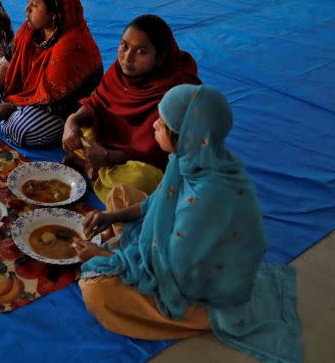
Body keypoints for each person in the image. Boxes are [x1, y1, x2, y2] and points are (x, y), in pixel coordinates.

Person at [74, 84, 302, 362]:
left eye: (163, 123)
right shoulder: (190, 158)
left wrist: (104, 256)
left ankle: (198, 317)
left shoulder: (206, 197)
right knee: (120, 194)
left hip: (193, 283)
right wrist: (111, 217)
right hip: (180, 250)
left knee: (96, 289)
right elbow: (153, 204)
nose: (154, 125)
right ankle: (124, 247)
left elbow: (167, 270)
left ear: (188, 135)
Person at [62, 14, 200, 201]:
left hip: (152, 162)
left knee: (141, 179)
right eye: (124, 46)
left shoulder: (175, 90)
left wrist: (108, 156)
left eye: (141, 52)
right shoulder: (119, 72)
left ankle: (92, 169)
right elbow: (97, 104)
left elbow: (159, 150)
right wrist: (72, 123)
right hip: (113, 146)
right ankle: (96, 169)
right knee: (82, 129)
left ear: (159, 58)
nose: (127, 57)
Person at [0, 0, 102, 147]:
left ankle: (10, 118)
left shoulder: (70, 46)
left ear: (54, 12)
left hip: (59, 109)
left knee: (22, 128)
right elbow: (8, 61)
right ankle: (6, 114)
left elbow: (52, 102)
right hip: (26, 95)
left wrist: (12, 107)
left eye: (34, 5)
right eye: (29, 3)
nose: (27, 9)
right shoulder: (31, 29)